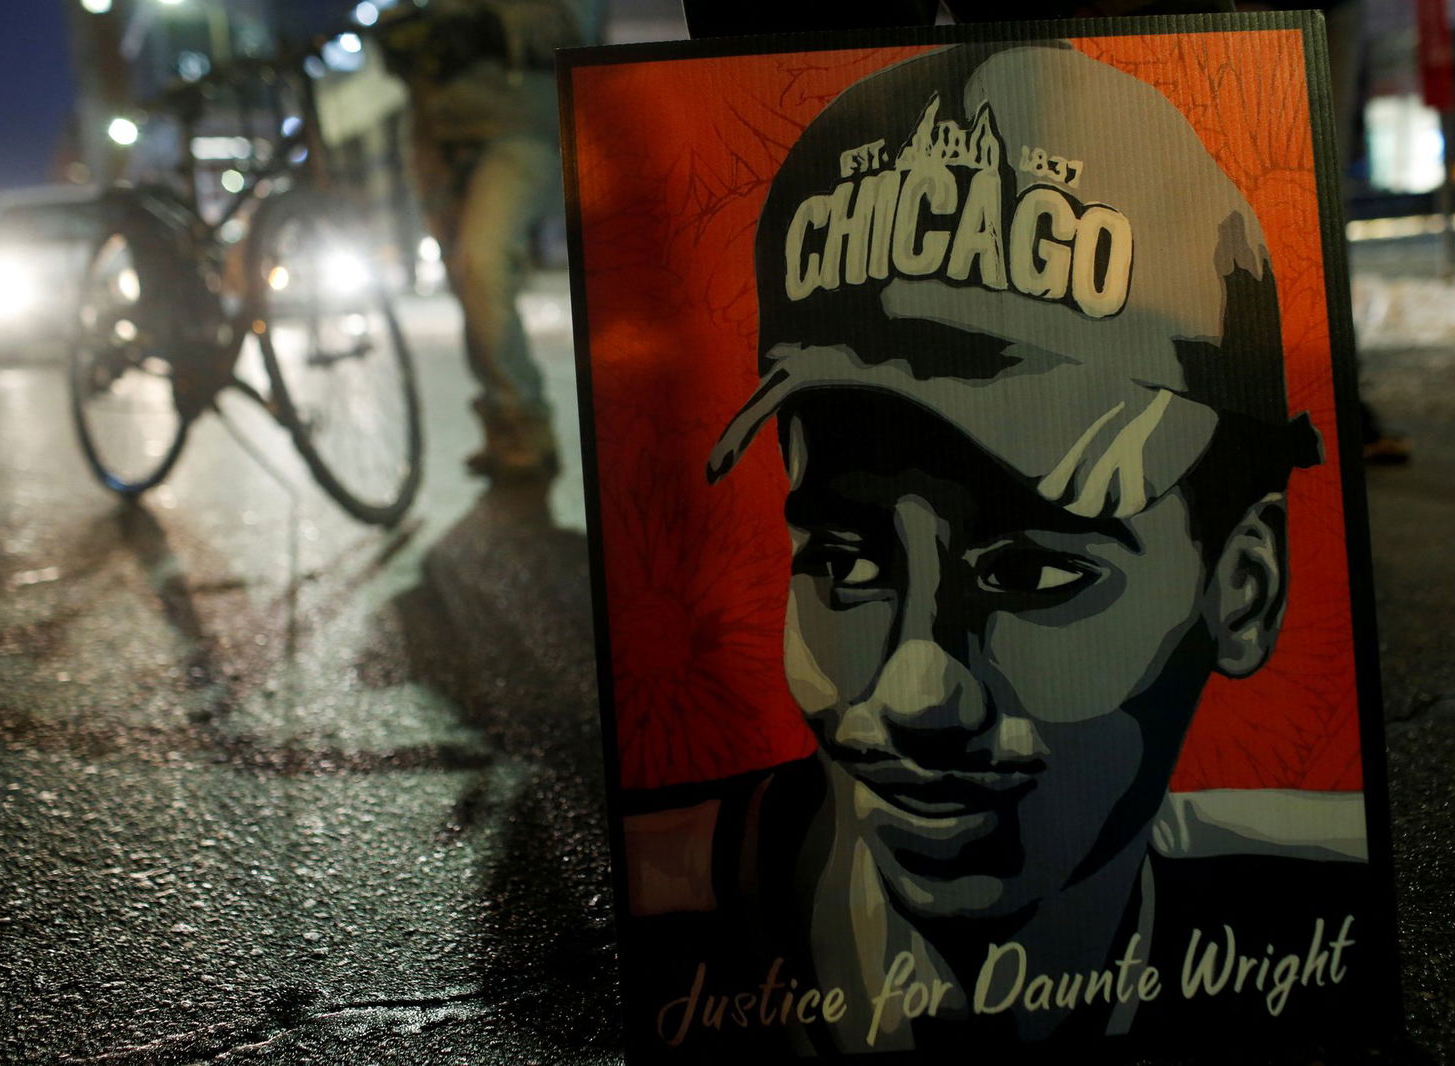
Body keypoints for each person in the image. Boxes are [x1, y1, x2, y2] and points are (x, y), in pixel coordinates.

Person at [619, 42, 1378, 1056]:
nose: (918, 691)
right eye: (847, 562)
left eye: (1029, 572)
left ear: (1240, 587)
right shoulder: (657, 915)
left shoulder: (1319, 913)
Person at [375, 0, 602, 480]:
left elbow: (577, 24)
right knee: (467, 279)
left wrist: (489, 27)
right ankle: (504, 426)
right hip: (434, 135)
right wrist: (400, 34)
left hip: (519, 125)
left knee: (483, 259)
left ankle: (525, 419)